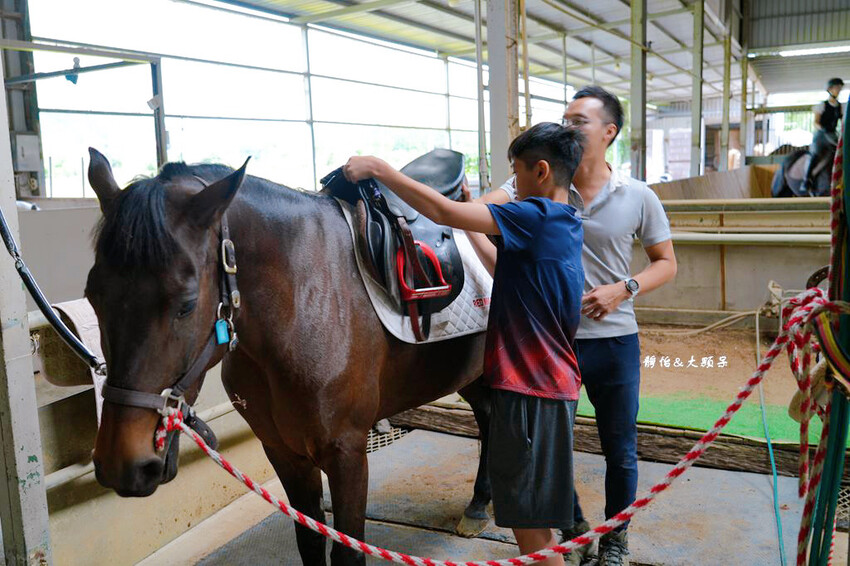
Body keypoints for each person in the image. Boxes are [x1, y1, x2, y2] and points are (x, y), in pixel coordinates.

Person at [344, 123, 586, 566]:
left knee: (532, 530)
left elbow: (443, 212)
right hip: (546, 388)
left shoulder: (535, 215)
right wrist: (474, 220)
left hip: (531, 392)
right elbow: (502, 267)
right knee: (530, 523)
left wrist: (381, 169)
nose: (513, 185)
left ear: (541, 171)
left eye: (516, 173)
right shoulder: (562, 219)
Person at [470, 86, 677, 566]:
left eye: (579, 120)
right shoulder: (532, 183)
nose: (569, 127)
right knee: (549, 445)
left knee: (620, 448)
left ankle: (615, 538)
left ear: (609, 132)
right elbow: (481, 210)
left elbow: (666, 263)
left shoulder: (637, 195)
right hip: (548, 344)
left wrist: (624, 288)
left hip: (613, 339)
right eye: (565, 119)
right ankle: (573, 527)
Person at [802, 78, 844, 195]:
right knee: (815, 154)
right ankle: (806, 180)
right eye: (836, 88)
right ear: (830, 90)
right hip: (821, 135)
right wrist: (822, 128)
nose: (838, 90)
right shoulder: (822, 105)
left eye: (840, 88)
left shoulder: (840, 106)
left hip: (833, 135)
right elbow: (816, 122)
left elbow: (842, 122)